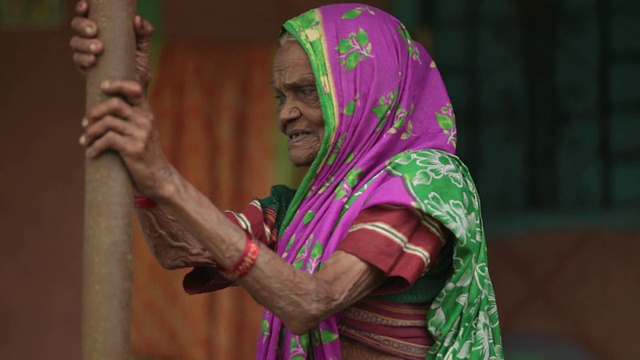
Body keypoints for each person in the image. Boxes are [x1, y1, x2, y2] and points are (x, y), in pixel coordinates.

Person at [71, 2, 503, 359]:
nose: (285, 114)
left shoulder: (427, 183)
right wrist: (131, 99)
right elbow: (179, 246)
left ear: (366, 91)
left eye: (306, 91)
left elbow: (313, 301)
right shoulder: (298, 211)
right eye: (281, 96)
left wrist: (164, 177)